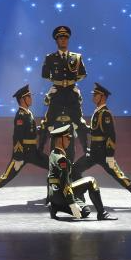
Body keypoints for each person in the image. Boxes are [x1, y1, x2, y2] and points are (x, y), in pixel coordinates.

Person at [71, 84, 131, 208]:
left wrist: (110, 156)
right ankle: (80, 197)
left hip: (103, 154)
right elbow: (95, 131)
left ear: (102, 97)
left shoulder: (105, 114)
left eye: (96, 95)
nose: (93, 97)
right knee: (74, 170)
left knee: (120, 177)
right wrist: (82, 127)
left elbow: (111, 136)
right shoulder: (98, 112)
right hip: (93, 153)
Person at [0, 85, 48, 207]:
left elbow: (30, 131)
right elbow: (17, 137)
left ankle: (52, 197)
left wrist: (41, 129)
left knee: (53, 167)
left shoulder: (28, 113)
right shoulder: (20, 115)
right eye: (29, 97)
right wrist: (18, 157)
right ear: (22, 99)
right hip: (22, 154)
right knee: (5, 177)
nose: (31, 99)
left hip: (33, 152)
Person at [47, 124, 115, 221]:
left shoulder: (53, 154)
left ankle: (55, 206)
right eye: (67, 138)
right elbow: (64, 183)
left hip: (54, 194)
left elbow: (51, 178)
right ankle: (102, 213)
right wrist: (72, 203)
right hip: (61, 193)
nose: (69, 140)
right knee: (91, 181)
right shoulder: (61, 159)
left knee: (85, 211)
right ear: (59, 140)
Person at [41, 25, 88, 160]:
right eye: (61, 38)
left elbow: (83, 74)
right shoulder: (50, 58)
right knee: (48, 122)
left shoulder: (76, 57)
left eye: (65, 38)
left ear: (68, 40)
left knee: (79, 121)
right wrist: (57, 82)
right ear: (56, 40)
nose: (63, 40)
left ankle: (87, 149)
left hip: (71, 92)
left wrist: (72, 83)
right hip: (57, 92)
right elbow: (45, 74)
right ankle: (39, 149)